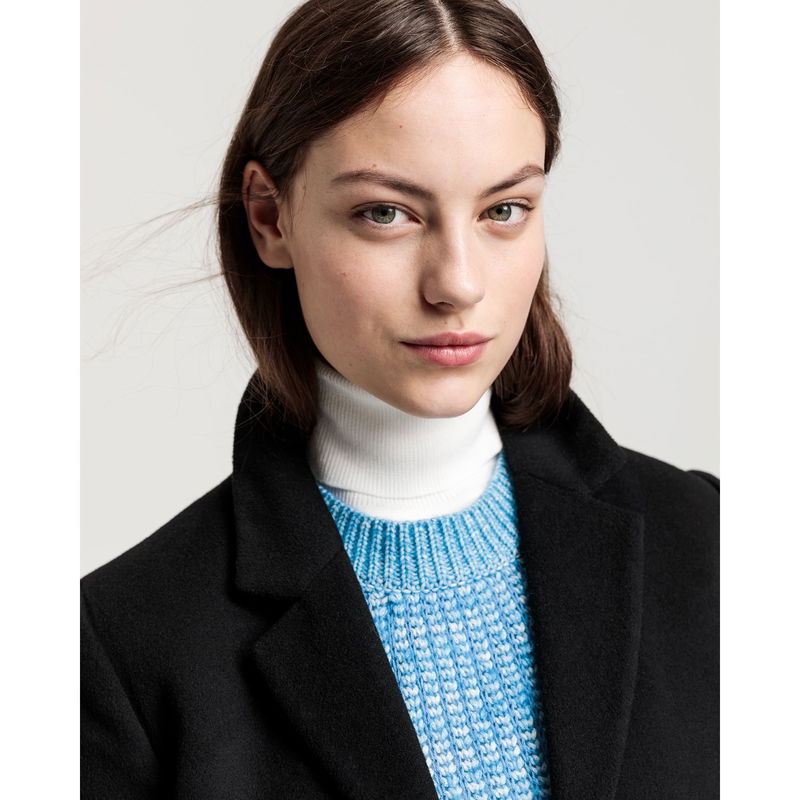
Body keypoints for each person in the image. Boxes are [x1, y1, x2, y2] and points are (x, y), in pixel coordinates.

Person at [80, 0, 719, 798]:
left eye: (504, 210)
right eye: (385, 213)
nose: (457, 283)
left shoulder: (712, 541)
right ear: (270, 217)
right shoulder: (125, 644)